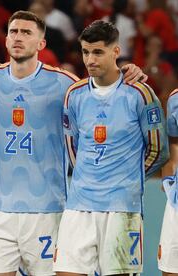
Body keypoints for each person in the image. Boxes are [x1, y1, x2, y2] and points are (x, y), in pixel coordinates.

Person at [0, 11, 147, 276]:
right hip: (1, 210)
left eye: (26, 32)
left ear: (41, 44)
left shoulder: (64, 83)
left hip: (49, 207)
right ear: (5, 39)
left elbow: (99, 91)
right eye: (13, 31)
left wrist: (124, 71)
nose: (18, 37)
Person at [55, 20, 169, 276]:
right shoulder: (74, 94)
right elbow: (72, 147)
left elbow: (158, 150)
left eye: (97, 52)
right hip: (79, 204)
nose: (90, 59)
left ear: (115, 51)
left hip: (122, 206)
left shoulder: (140, 93)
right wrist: (88, 176)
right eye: (85, 52)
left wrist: (127, 177)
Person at [159, 87, 178, 276]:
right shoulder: (175, 98)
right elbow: (174, 142)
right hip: (177, 202)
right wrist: (169, 179)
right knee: (171, 270)